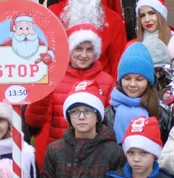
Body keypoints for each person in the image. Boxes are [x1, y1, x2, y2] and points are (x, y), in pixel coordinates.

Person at [25, 23, 115, 166]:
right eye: (78, 48)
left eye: (89, 50)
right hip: (58, 155)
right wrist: (43, 90)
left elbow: (109, 125)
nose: (84, 55)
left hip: (94, 157)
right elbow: (33, 120)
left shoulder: (107, 81)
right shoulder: (53, 77)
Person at [50, 0, 127, 74]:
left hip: (101, 86)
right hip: (62, 85)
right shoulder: (54, 14)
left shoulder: (113, 19)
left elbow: (118, 62)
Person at [104, 43, 174, 143]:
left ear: (148, 81)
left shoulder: (161, 112)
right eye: (127, 78)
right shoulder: (108, 114)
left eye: (139, 79)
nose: (132, 84)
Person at [136, 0, 173, 69]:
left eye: (151, 13)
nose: (147, 19)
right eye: (142, 15)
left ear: (161, 15)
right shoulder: (133, 44)